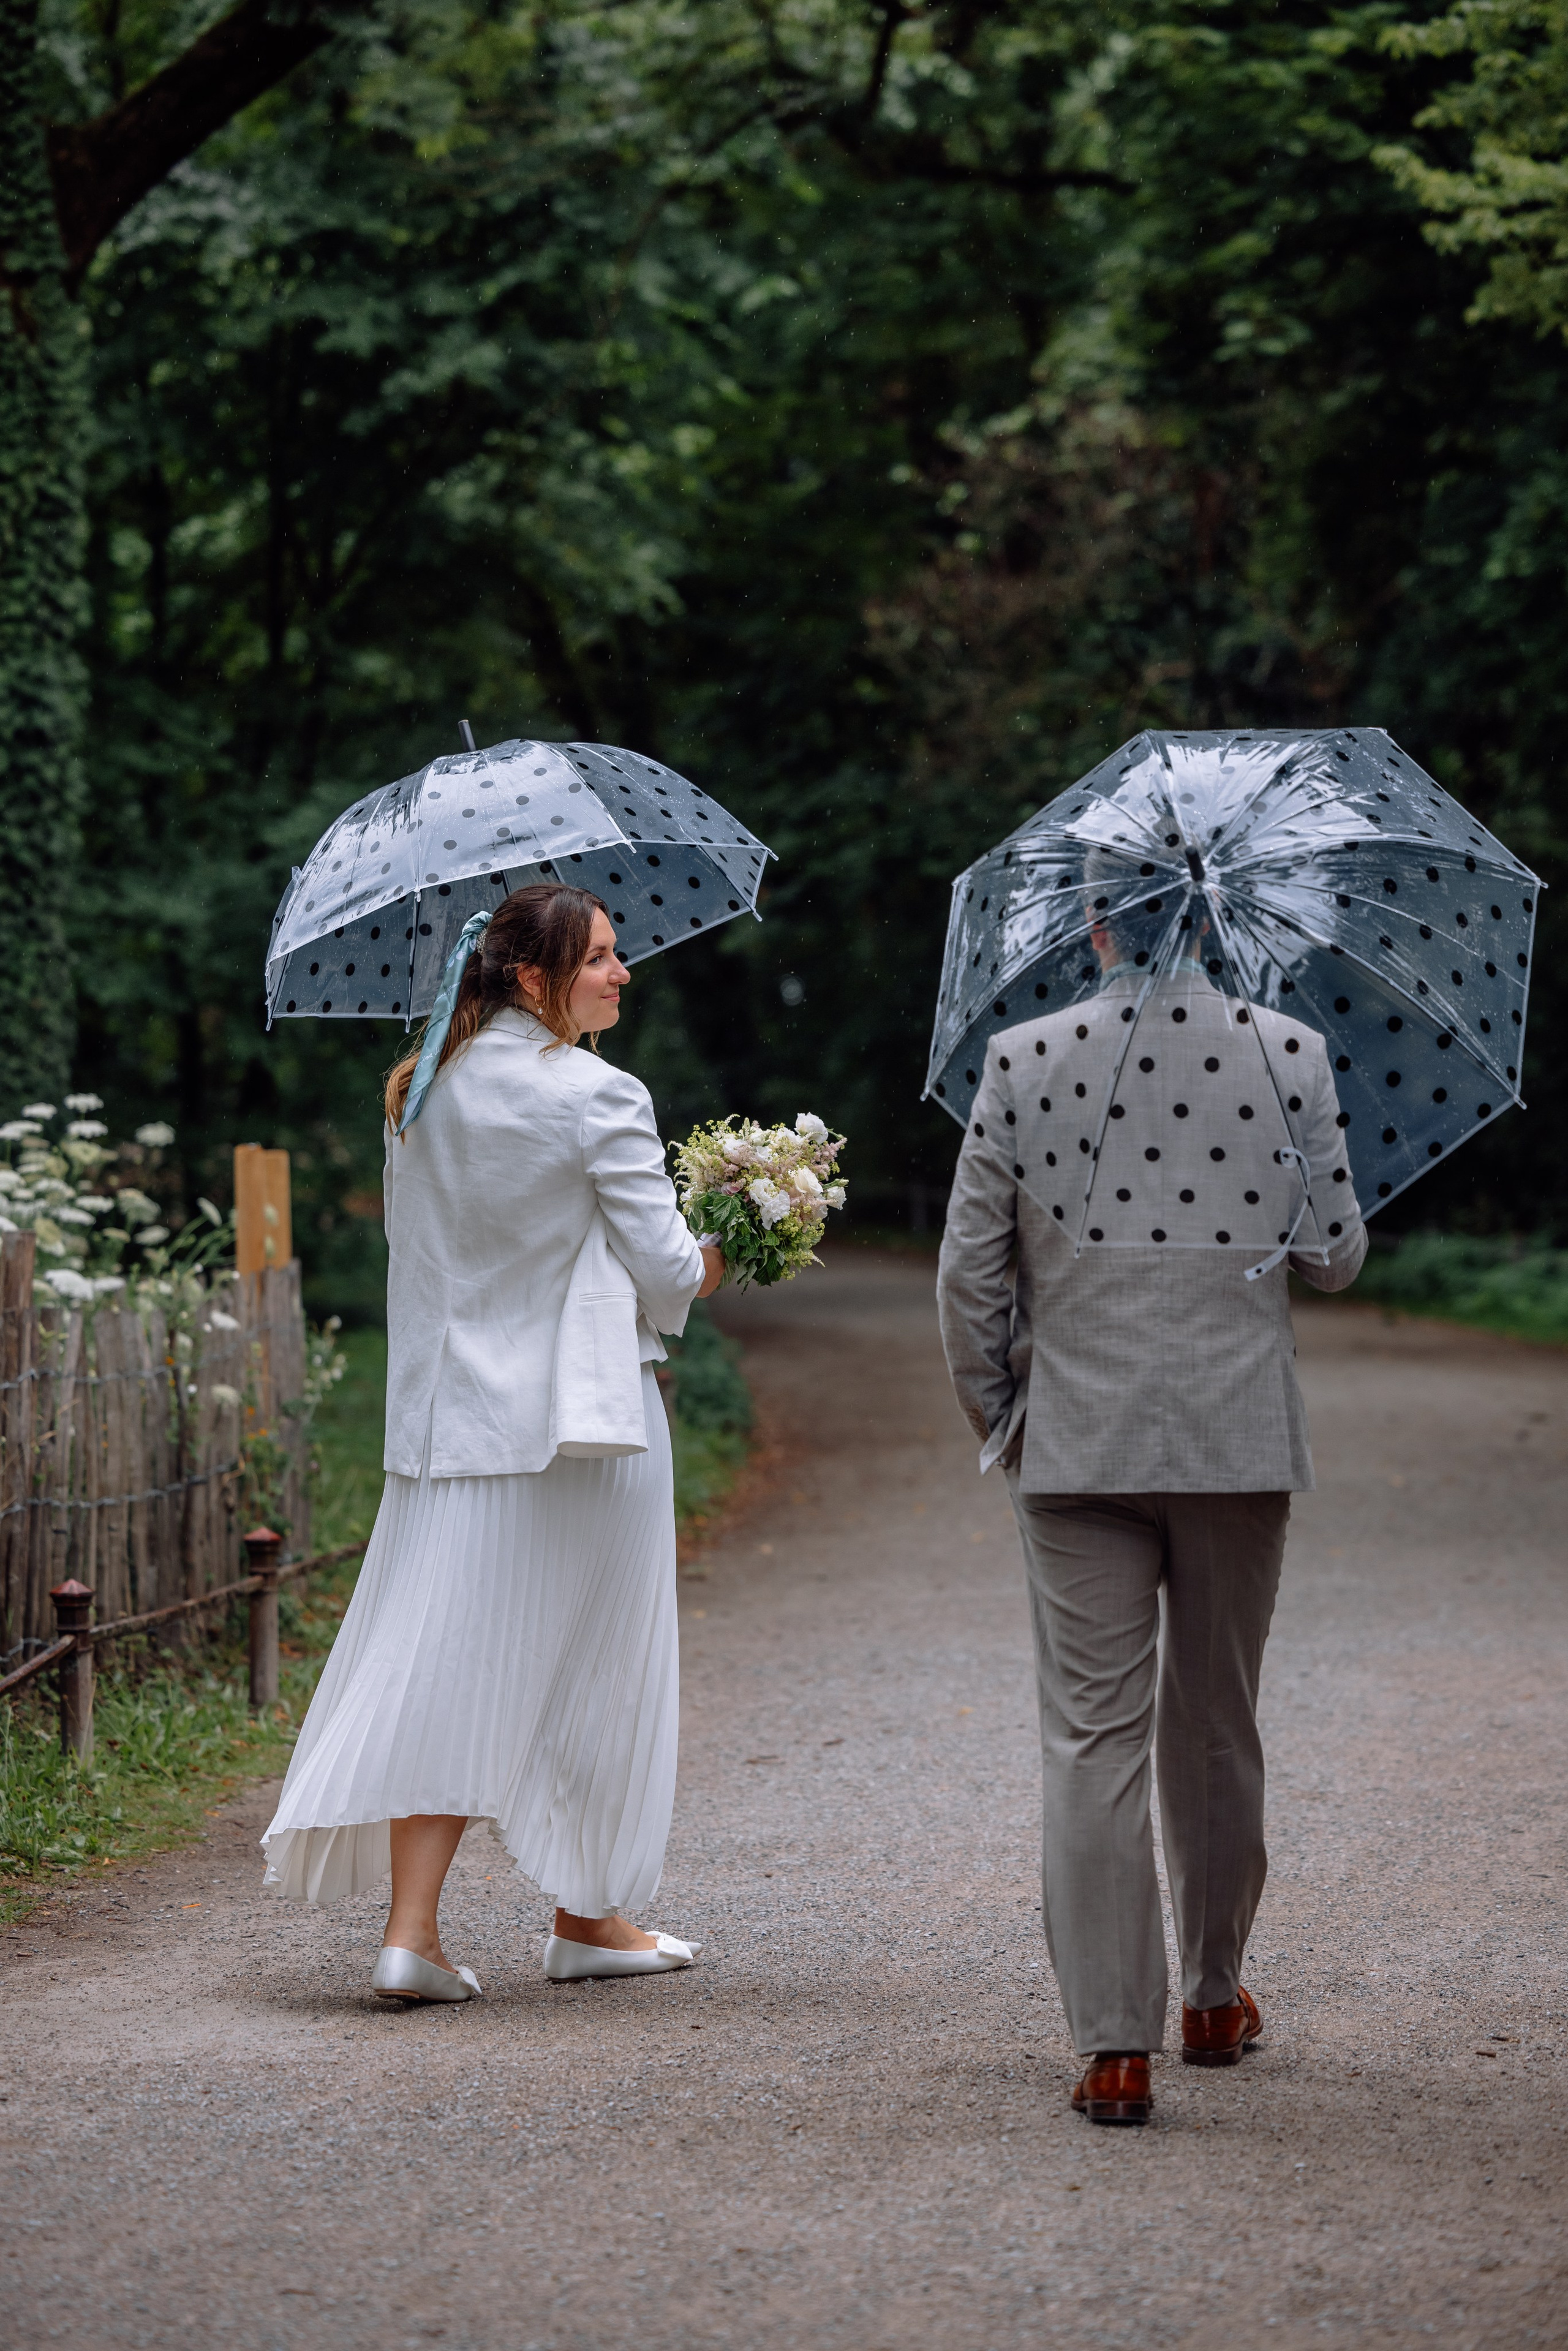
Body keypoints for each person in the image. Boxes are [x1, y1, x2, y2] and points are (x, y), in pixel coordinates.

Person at [936, 895, 1366, 2123]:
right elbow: (1335, 1256)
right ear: (1212, 914)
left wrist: (1005, 1416)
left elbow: (969, 1276)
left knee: (1091, 1739)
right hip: (1237, 1440)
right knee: (1217, 1720)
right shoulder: (1287, 1051)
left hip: (1078, 1443)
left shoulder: (1024, 1058)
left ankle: (1112, 2047)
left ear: (1093, 922)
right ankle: (1212, 1997)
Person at [261, 883, 725, 2002]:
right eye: (600, 956)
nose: (622, 973)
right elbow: (670, 1274)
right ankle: (587, 1917)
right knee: (603, 1660)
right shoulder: (599, 1094)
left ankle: (412, 1933)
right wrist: (745, 1234)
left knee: (452, 1659)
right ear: (531, 975)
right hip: (583, 1432)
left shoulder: (420, 1090)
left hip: (448, 1429)